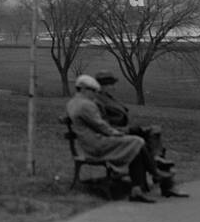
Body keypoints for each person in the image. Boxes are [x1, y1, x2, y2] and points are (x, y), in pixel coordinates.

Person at [93, 71, 188, 198]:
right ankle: (164, 180)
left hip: (122, 133)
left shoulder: (108, 97)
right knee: (147, 137)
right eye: (111, 84)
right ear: (102, 86)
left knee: (154, 131)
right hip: (115, 136)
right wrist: (130, 130)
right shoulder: (97, 101)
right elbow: (104, 126)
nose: (114, 87)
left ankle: (158, 160)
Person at [66, 75, 159, 203]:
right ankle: (155, 173)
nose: (95, 94)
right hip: (97, 145)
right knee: (138, 141)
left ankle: (138, 189)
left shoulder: (73, 102)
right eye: (93, 91)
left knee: (135, 145)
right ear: (83, 89)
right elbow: (100, 125)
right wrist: (116, 133)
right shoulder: (85, 105)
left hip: (89, 143)